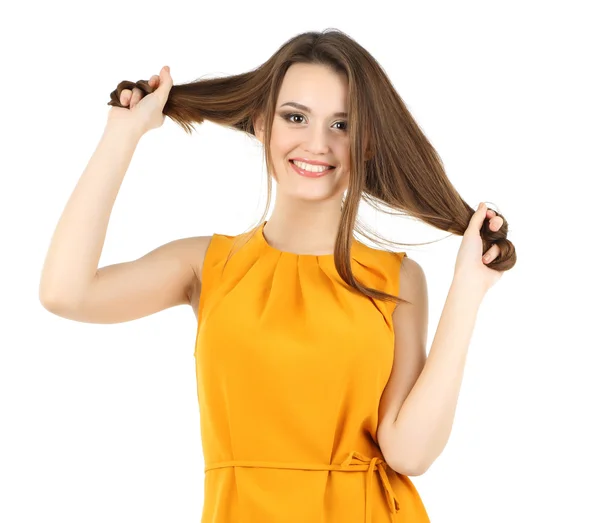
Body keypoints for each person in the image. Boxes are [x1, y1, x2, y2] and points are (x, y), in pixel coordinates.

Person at [39, 29, 514, 523]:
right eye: (295, 117)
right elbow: (64, 293)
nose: (316, 143)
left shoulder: (398, 278)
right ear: (262, 124)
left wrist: (469, 289)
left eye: (342, 125)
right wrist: (123, 134)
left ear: (368, 143)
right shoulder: (208, 266)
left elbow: (409, 454)